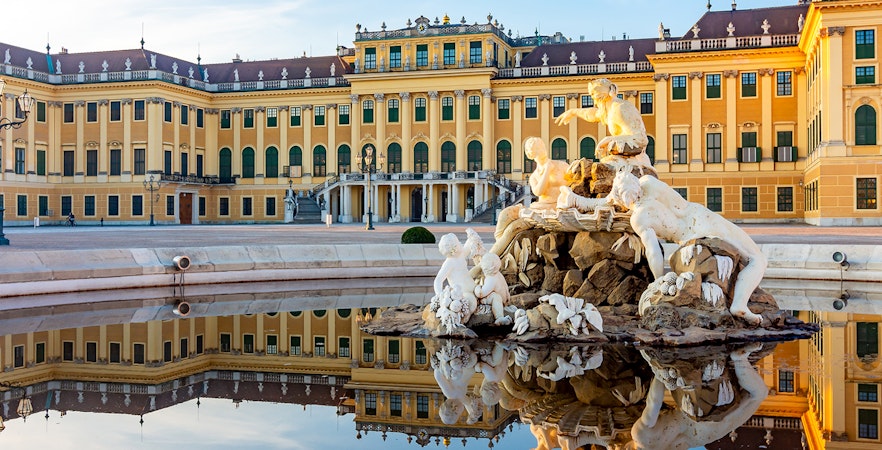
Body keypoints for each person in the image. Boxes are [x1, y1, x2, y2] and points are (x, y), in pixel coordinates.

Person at [607, 168, 766, 324]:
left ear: (621, 200)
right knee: (757, 258)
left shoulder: (639, 218)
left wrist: (659, 280)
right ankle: (739, 302)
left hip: (688, 238)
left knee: (754, 259)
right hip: (702, 218)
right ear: (634, 182)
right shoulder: (649, 182)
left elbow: (653, 252)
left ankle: (739, 304)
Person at [554, 78, 652, 170]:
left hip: (636, 162)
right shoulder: (609, 110)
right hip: (622, 158)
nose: (594, 102)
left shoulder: (621, 109)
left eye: (594, 98)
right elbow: (593, 114)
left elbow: (642, 139)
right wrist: (573, 112)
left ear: (601, 97)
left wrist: (609, 139)